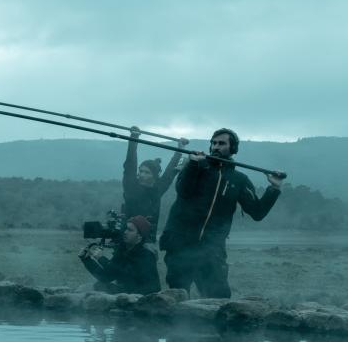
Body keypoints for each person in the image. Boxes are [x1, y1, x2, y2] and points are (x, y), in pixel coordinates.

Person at [159, 128, 283, 298]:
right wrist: (193, 165)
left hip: (212, 250)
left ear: (233, 149)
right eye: (213, 143)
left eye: (221, 143)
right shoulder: (196, 167)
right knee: (178, 296)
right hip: (180, 246)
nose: (216, 147)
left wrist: (274, 188)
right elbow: (183, 191)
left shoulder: (239, 180)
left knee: (219, 298)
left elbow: (257, 212)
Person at [122, 126, 186, 241]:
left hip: (147, 239)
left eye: (147, 172)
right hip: (128, 237)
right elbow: (130, 163)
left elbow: (168, 175)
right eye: (141, 171)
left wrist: (180, 149)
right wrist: (134, 137)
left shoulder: (157, 189)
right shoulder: (131, 186)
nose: (142, 175)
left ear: (154, 177)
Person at [78, 215, 161, 294]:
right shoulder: (123, 251)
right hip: (128, 293)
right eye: (125, 229)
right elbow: (105, 277)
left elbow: (124, 275)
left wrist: (101, 258)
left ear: (139, 237)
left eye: (130, 230)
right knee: (99, 285)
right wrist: (86, 259)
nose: (125, 232)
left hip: (145, 298)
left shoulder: (146, 255)